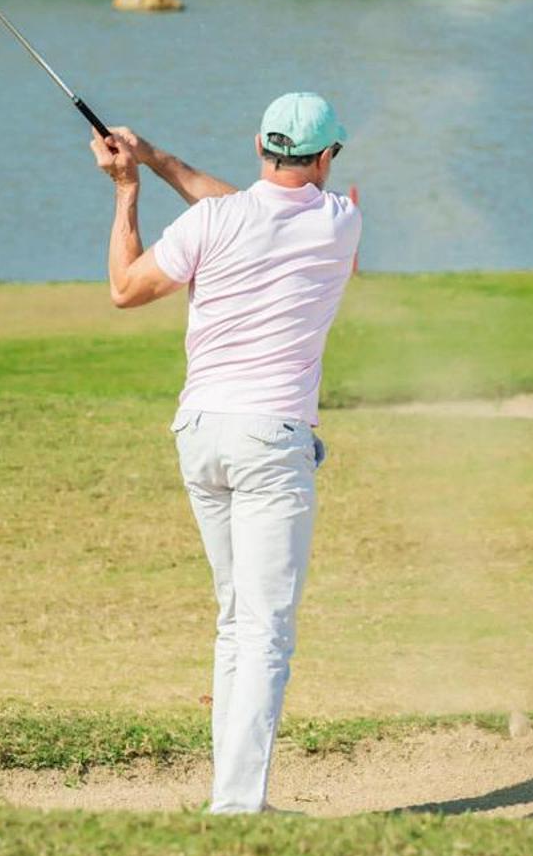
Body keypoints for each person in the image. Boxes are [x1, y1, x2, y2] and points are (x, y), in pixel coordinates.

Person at [90, 92, 361, 815]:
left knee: (238, 618)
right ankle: (239, 808)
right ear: (327, 156)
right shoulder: (341, 221)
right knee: (265, 626)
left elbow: (126, 287)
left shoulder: (211, 221)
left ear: (258, 145)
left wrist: (129, 190)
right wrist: (155, 159)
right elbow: (262, 206)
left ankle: (232, 797)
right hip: (271, 441)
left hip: (202, 433)